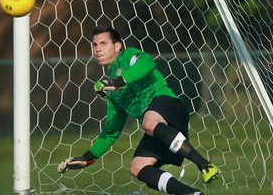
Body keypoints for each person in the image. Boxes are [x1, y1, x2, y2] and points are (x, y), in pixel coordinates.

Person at [58, 26, 219, 195]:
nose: (97, 49)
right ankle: (192, 193)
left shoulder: (128, 56)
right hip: (157, 128)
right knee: (137, 167)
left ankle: (204, 164)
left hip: (168, 104)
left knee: (148, 122)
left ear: (117, 46)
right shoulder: (111, 87)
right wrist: (88, 157)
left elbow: (148, 62)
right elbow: (112, 131)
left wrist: (119, 82)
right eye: (95, 44)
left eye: (103, 43)